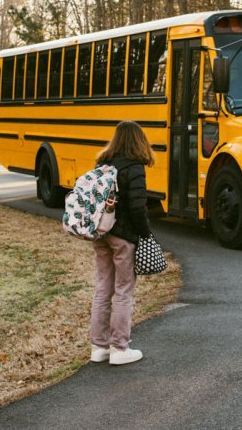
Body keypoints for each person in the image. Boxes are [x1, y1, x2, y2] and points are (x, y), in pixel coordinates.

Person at [89, 120, 155, 366]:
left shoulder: (102, 163)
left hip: (100, 232)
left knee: (103, 289)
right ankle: (119, 348)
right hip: (123, 235)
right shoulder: (135, 167)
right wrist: (145, 233)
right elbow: (138, 207)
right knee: (124, 291)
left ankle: (99, 346)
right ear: (139, 140)